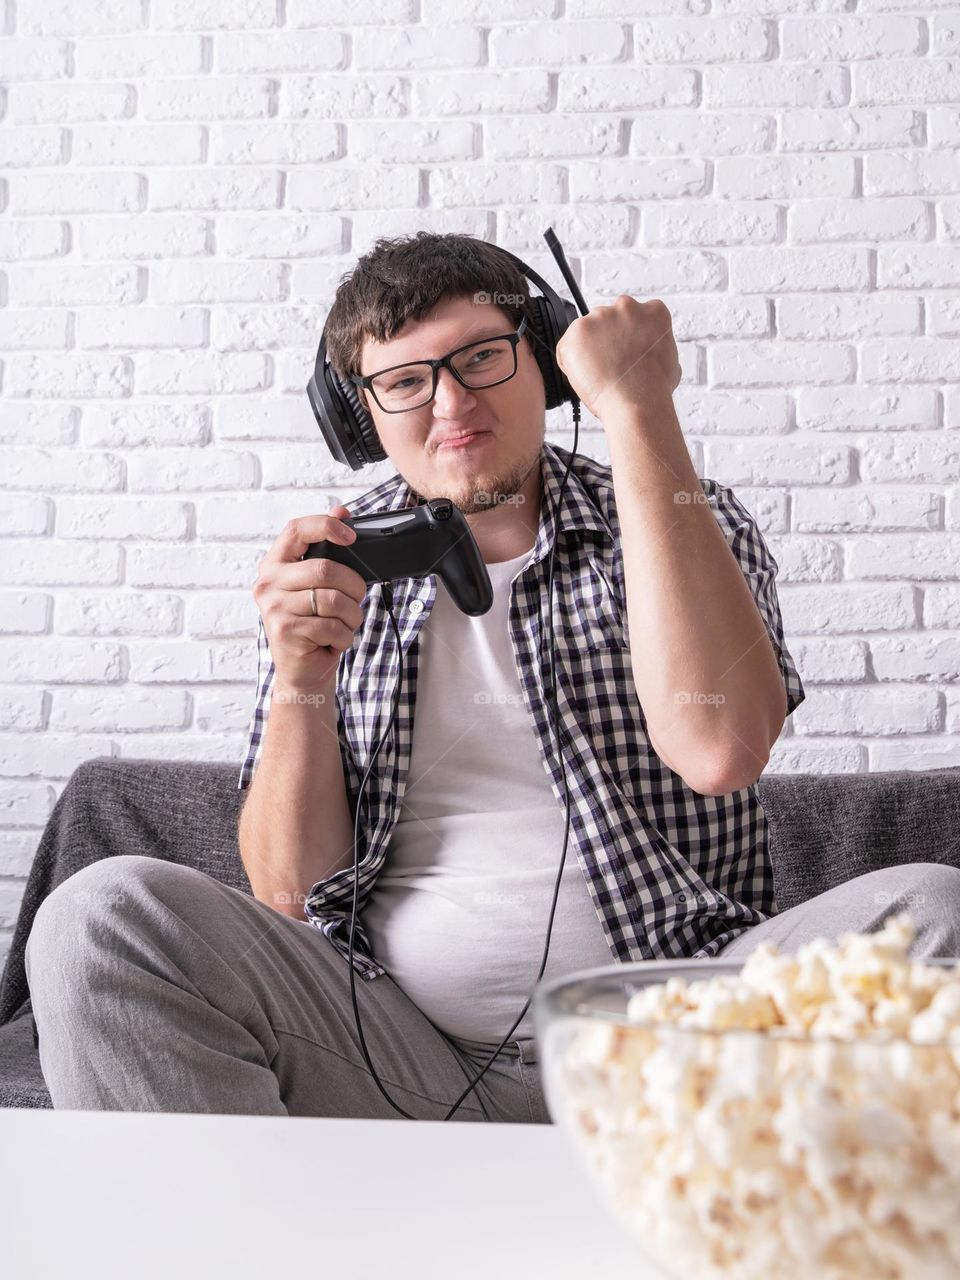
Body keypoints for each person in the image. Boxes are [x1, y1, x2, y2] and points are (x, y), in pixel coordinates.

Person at [25, 232, 960, 1118]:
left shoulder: (679, 519)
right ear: (362, 414)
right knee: (98, 917)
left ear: (549, 362)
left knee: (934, 911)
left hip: (687, 1042)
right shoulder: (331, 568)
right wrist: (300, 676)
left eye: (481, 358)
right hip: (394, 1060)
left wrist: (639, 408)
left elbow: (720, 748)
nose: (450, 403)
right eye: (404, 380)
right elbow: (289, 891)